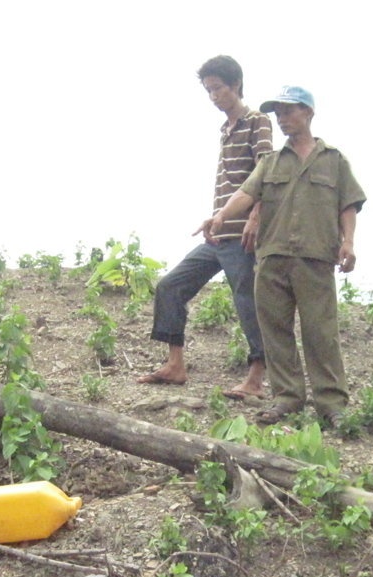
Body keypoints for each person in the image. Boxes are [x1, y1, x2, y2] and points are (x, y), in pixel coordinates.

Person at [200, 85, 366, 428]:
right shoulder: (271, 162)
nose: (282, 119)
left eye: (289, 111)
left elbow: (348, 204)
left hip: (315, 257)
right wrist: (220, 217)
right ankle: (287, 399)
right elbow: (246, 193)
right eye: (278, 114)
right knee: (275, 331)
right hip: (273, 257)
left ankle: (331, 405)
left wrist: (348, 242)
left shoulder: (333, 160)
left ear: (308, 112)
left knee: (321, 332)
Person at [137, 55, 272, 399]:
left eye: (217, 89)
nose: (213, 97)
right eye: (208, 91)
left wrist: (256, 217)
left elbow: (266, 173)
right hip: (218, 232)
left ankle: (256, 378)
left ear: (236, 85)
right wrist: (216, 216)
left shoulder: (257, 121)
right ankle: (175, 364)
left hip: (242, 234)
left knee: (247, 302)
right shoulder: (226, 128)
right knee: (170, 286)